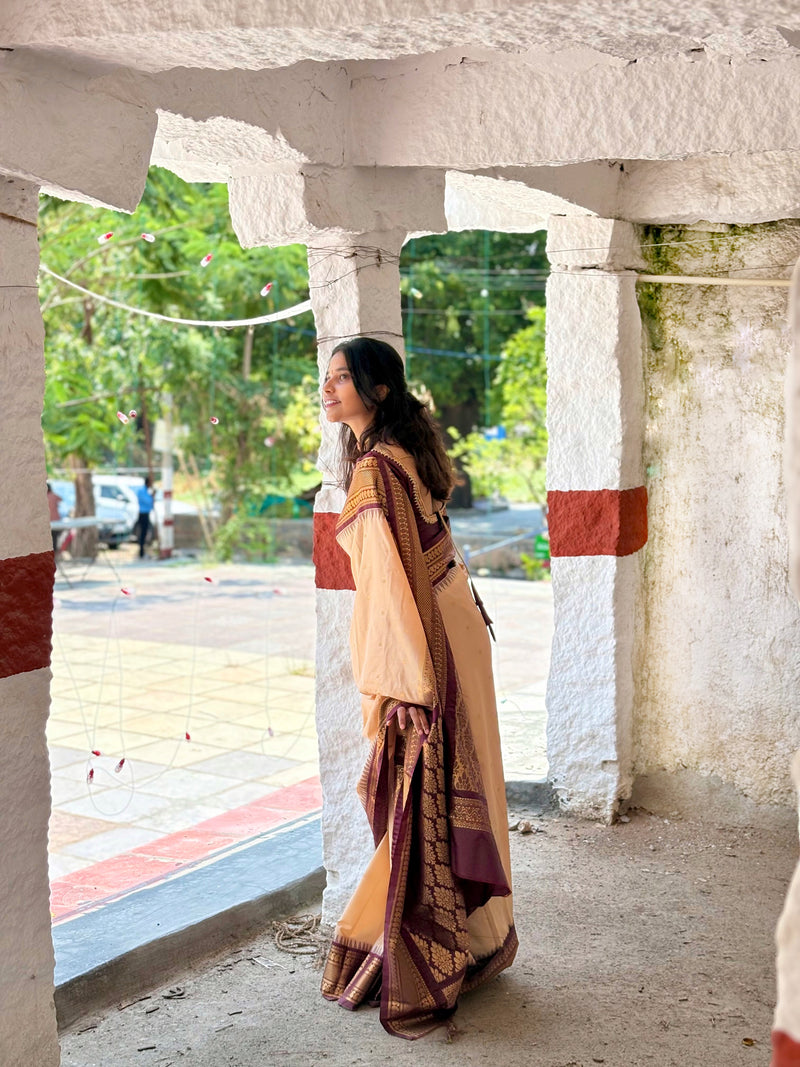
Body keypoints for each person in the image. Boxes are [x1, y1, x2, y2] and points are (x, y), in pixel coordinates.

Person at [319, 337, 517, 1039]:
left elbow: (385, 588)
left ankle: (427, 948)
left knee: (421, 794)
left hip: (429, 643)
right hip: (457, 622)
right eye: (328, 376)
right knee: (470, 780)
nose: (328, 388)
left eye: (343, 378)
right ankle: (485, 935)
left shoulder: (375, 470)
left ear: (376, 390)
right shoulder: (408, 450)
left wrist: (403, 684)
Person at [135, 476, 155, 559]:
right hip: (143, 514)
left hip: (146, 514)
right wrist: (152, 496)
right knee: (142, 533)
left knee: (146, 532)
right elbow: (148, 501)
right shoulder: (142, 491)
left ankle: (143, 551)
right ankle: (141, 552)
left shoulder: (146, 491)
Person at [47, 482, 62, 554]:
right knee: (55, 538)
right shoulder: (54, 496)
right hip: (56, 520)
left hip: (47, 521)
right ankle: (55, 553)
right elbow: (61, 499)